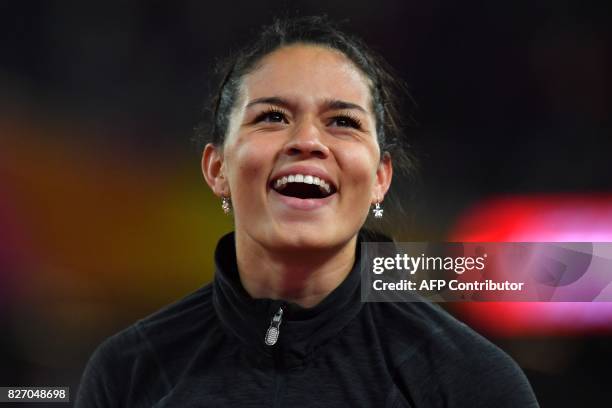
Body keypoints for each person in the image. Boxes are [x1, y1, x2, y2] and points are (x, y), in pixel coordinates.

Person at [75, 15, 539, 407]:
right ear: (217, 169)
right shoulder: (128, 373)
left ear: (380, 177)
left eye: (343, 122)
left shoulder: (472, 383)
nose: (308, 142)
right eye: (272, 117)